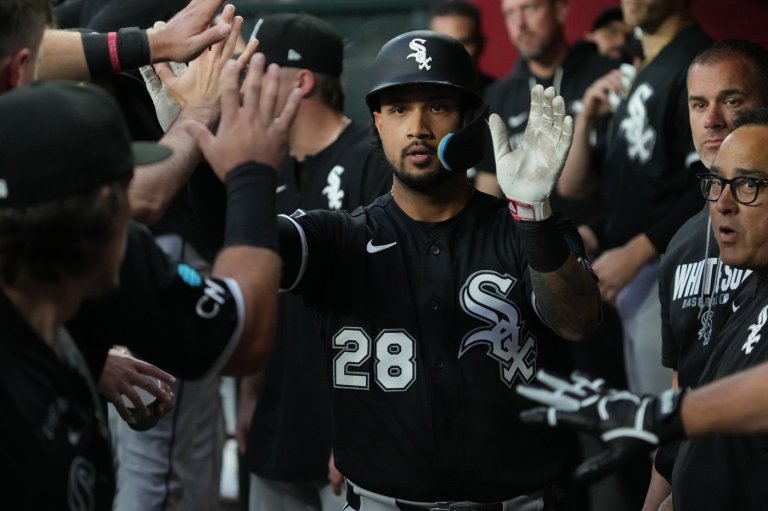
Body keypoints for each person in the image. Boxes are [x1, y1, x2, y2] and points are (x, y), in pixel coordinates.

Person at [262, 29, 601, 509]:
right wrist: (198, 145)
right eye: (399, 109)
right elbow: (245, 243)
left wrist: (533, 217)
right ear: (378, 122)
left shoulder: (528, 229)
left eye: (438, 106)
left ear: (468, 121)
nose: (418, 127)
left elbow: (577, 321)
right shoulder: (340, 237)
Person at [0, 50, 300, 507]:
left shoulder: (60, 299)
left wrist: (83, 355)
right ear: (109, 205)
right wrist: (251, 177)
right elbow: (248, 332)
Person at [232, 13, 392, 511]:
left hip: (349, 423)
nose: (243, 81)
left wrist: (365, 422)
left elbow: (389, 304)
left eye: (255, 69)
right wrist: (249, 392)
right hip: (277, 412)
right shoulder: (262, 163)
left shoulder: (373, 158)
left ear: (300, 81)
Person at [557, 0, 713, 398]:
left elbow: (711, 181)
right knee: (643, 416)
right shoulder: (644, 66)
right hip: (634, 273)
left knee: (667, 420)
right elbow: (628, 187)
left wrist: (636, 251)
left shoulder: (697, 62)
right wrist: (598, 232)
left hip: (675, 269)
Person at [647, 39, 768, 511]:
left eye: (731, 100)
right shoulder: (680, 246)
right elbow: (684, 378)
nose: (713, 119)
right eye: (699, 104)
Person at [474, 0, 618, 208]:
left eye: (529, 8)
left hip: (600, 225)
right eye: (510, 14)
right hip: (523, 227)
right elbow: (487, 200)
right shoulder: (496, 98)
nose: (520, 24)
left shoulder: (607, 76)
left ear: (560, 10)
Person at [428, 0, 494, 92]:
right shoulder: (413, 96)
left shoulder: (502, 97)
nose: (453, 53)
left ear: (481, 44)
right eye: (444, 44)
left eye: (462, 44)